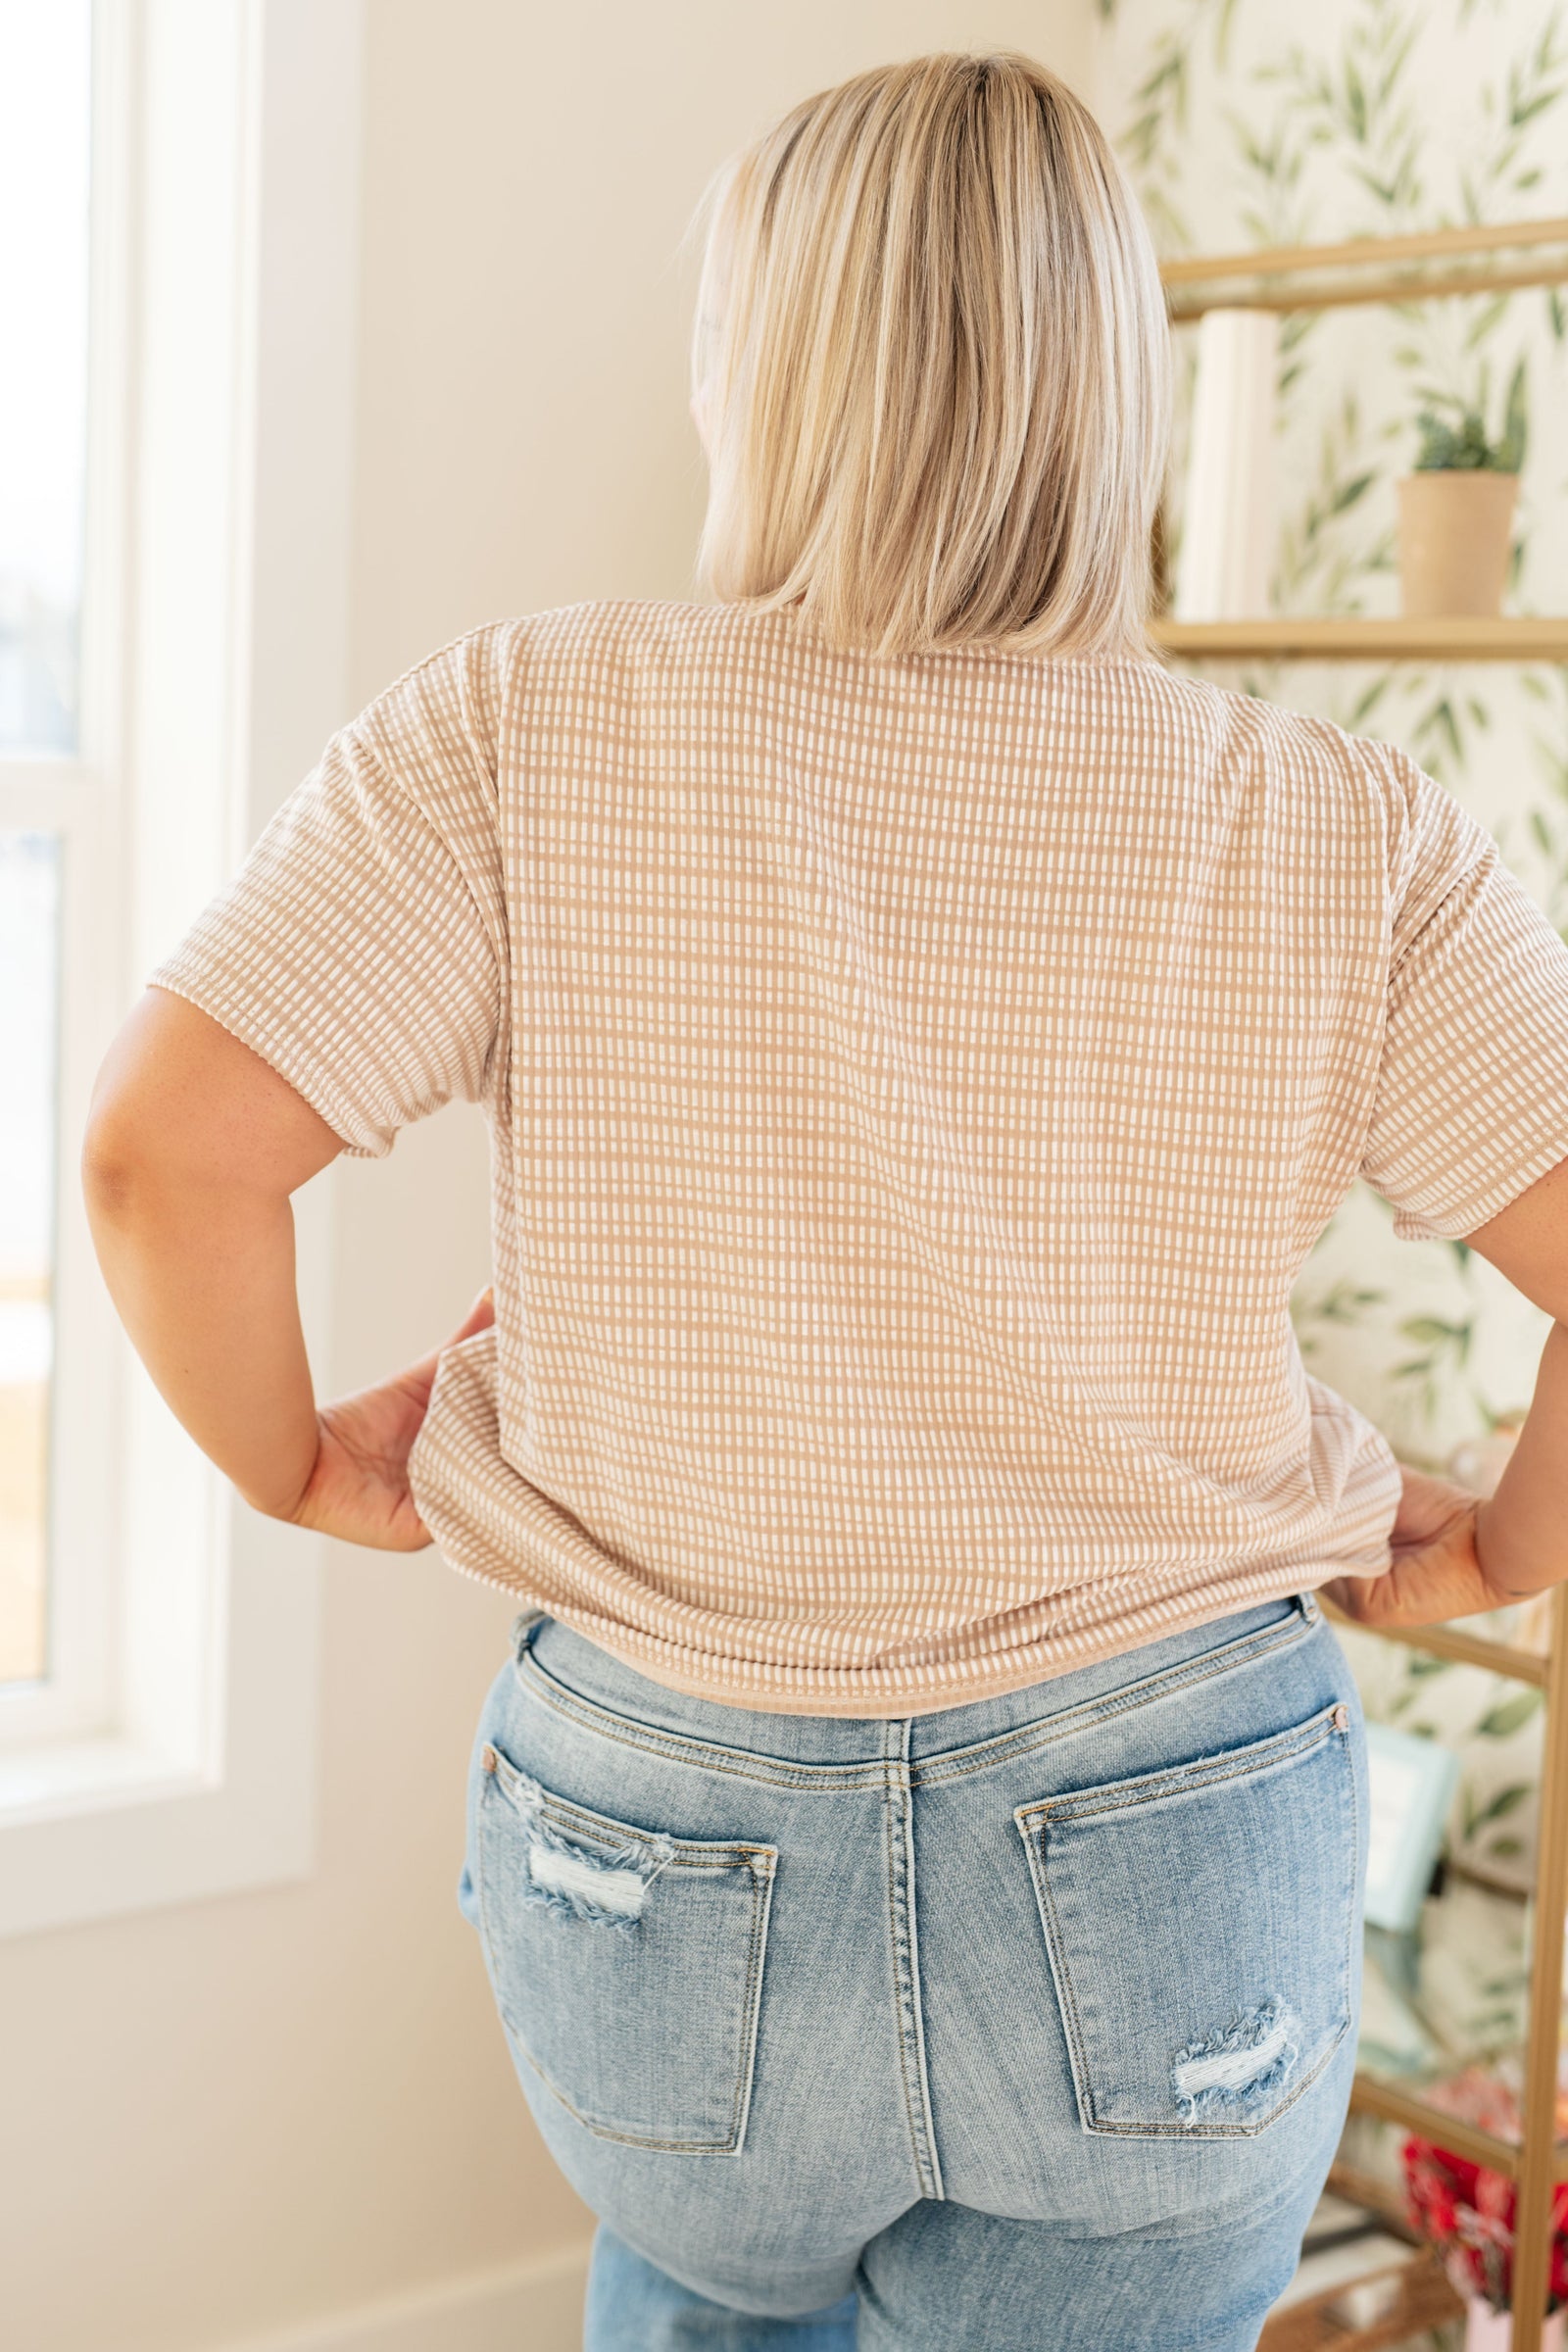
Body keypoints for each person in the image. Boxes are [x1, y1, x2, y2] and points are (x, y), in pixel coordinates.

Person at [80, 47, 1568, 2352]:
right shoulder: (1337, 824)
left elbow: (160, 1155)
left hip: (664, 1847)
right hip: (1165, 1822)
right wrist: (1493, 1545)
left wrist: (295, 1465)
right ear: (1120, 389)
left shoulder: (524, 729)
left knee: (691, 2294)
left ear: (754, 369)